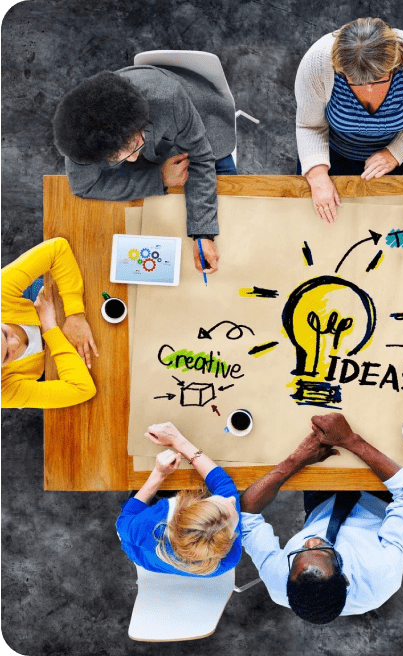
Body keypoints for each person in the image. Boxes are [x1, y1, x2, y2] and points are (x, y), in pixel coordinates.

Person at [52, 64, 239, 274]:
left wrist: (203, 233)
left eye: (132, 147)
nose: (132, 160)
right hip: (156, 139)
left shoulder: (168, 97)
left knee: (232, 218)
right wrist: (158, 178)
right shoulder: (80, 137)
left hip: (203, 123)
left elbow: (202, 157)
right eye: (116, 158)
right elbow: (84, 186)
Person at [239, 412, 403, 623]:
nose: (311, 541)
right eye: (324, 551)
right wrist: (349, 440)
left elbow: (245, 512)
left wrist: (297, 460)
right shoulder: (382, 576)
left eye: (299, 552)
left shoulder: (278, 581)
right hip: (380, 496)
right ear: (343, 577)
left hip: (322, 503)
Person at [295, 17, 403, 224]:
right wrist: (317, 176)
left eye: (378, 80)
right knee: (323, 226)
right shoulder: (317, 62)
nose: (367, 89)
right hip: (335, 152)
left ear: (394, 64)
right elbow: (309, 125)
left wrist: (396, 151)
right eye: (356, 82)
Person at [116, 422, 242, 576]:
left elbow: (123, 522)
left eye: (215, 501)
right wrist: (179, 442)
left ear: (186, 508)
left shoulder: (150, 523)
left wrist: (159, 473)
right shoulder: (228, 557)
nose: (232, 500)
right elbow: (224, 485)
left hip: (142, 553)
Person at [1, 238, 97, 409]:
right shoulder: (3, 392)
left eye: (4, 333)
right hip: (51, 354)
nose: (15, 343)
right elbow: (82, 389)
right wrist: (49, 328)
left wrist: (75, 314)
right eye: (7, 355)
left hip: (38, 301)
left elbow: (57, 249)